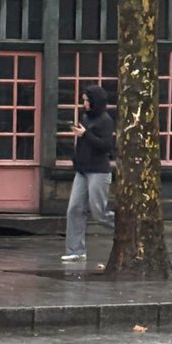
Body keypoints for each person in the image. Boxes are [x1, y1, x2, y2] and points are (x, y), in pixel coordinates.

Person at [62, 84, 116, 262]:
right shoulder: (86, 117)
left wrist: (85, 135)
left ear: (95, 102)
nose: (84, 104)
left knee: (98, 211)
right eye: (84, 100)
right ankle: (75, 250)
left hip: (99, 171)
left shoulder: (105, 120)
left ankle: (128, 230)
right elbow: (83, 143)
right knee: (74, 209)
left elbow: (106, 146)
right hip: (83, 170)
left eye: (87, 101)